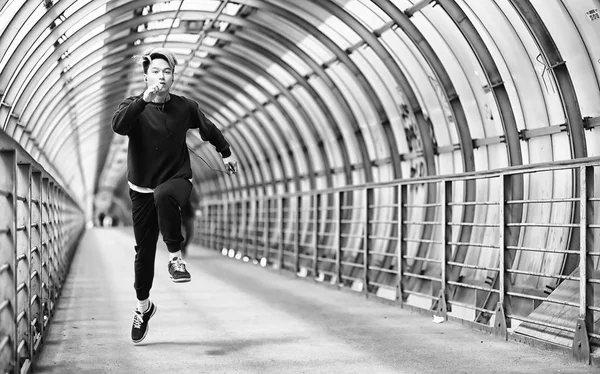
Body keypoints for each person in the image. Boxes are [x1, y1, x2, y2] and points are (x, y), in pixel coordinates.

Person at [111, 47, 237, 344]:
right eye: (155, 72)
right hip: (141, 188)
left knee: (165, 194)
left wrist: (226, 151)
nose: (161, 77)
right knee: (143, 253)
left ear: (173, 77)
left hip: (177, 178)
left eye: (167, 72)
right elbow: (119, 126)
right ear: (145, 77)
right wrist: (143, 99)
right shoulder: (133, 107)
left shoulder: (185, 107)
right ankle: (144, 308)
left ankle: (176, 258)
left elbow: (208, 128)